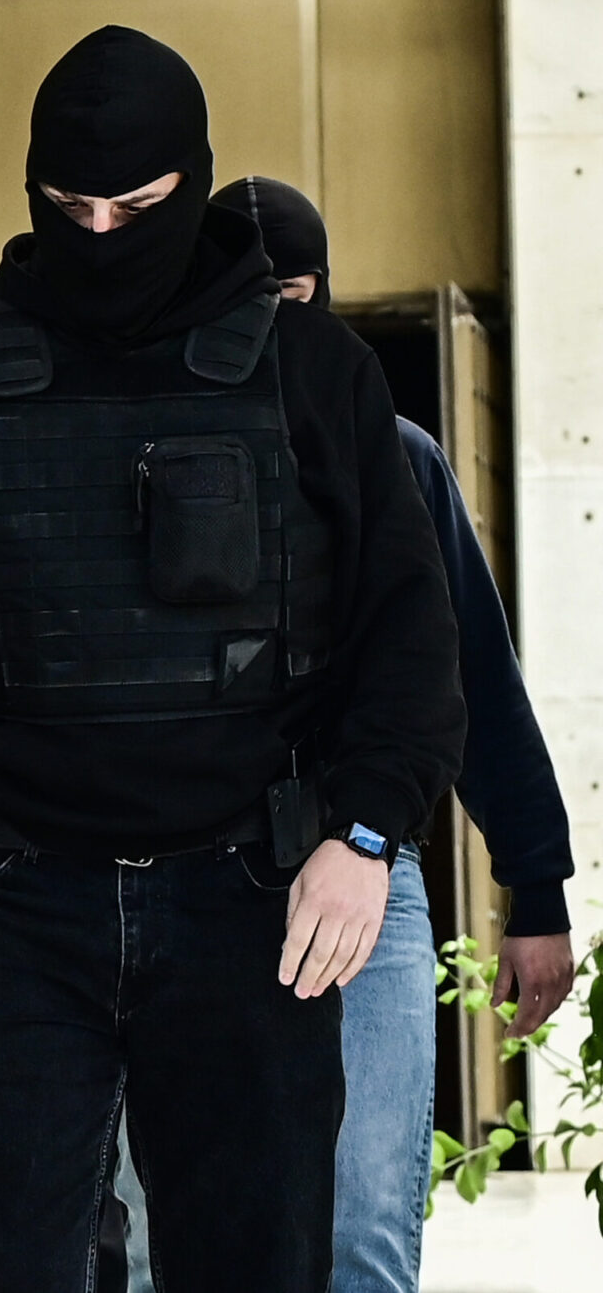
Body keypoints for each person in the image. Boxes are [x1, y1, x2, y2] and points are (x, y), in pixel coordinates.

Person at [0, 27, 466, 1292]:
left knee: (254, 1263)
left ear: (191, 182)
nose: (98, 235)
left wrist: (364, 833)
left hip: (250, 900)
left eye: (135, 208)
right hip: (11, 898)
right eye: (67, 205)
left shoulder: (312, 373)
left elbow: (409, 638)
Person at [198, 173, 578, 1293]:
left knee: (362, 1228)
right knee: (175, 1236)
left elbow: (475, 682)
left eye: (293, 296)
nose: (272, 327)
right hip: (177, 879)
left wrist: (537, 890)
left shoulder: (397, 458)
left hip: (366, 870)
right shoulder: (139, 445)